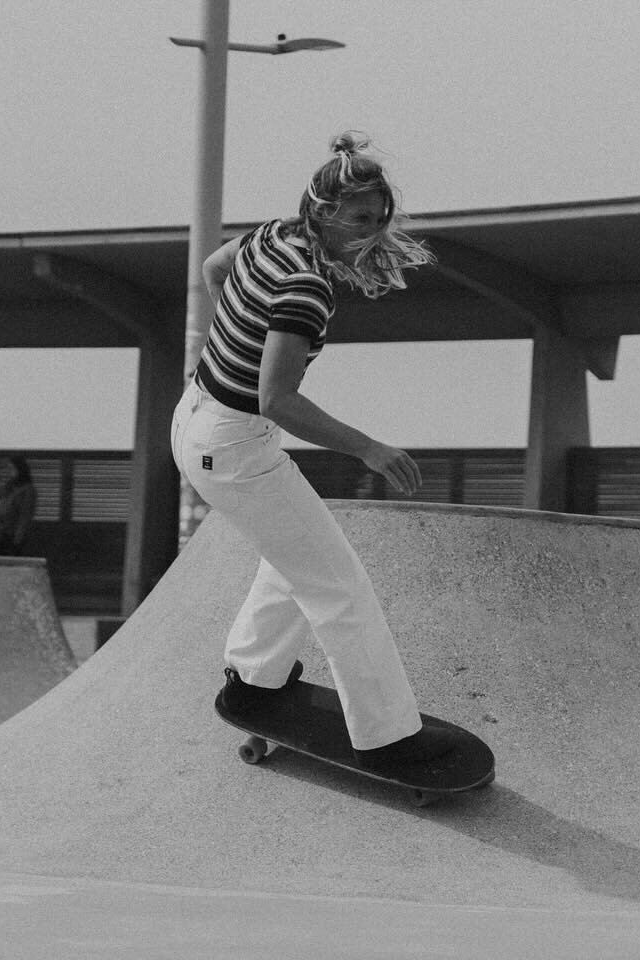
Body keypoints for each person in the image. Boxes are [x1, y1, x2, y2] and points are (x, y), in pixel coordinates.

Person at [171, 131, 454, 771]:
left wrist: (235, 331)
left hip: (197, 419)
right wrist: (370, 449)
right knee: (342, 589)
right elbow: (277, 400)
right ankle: (389, 737)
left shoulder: (273, 235)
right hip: (239, 444)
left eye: (380, 221)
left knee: (297, 550)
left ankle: (255, 675)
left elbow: (214, 270)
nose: (371, 234)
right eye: (359, 219)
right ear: (323, 211)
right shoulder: (306, 288)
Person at [0, 455, 37, 556]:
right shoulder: (8, 487)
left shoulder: (27, 490)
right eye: (8, 469)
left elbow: (25, 517)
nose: (9, 472)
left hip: (13, 538)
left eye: (12, 468)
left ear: (20, 469)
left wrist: (17, 540)